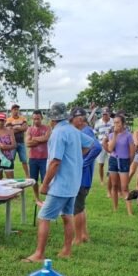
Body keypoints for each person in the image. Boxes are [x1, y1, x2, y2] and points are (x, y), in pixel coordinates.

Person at [23, 102, 82, 262]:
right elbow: (91, 145)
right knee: (67, 215)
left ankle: (39, 254)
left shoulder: (58, 133)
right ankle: (66, 250)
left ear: (51, 118)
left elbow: (55, 161)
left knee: (44, 217)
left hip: (61, 184)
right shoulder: (74, 131)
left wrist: (45, 184)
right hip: (73, 182)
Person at [71, 108, 102, 245]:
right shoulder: (83, 131)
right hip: (84, 178)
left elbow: (97, 147)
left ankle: (77, 238)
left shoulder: (86, 131)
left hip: (82, 177)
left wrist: (83, 163)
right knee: (81, 207)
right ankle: (84, 235)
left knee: (76, 208)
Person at [102, 114, 135, 214]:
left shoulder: (128, 135)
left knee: (124, 187)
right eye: (114, 122)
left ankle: (129, 212)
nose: (116, 124)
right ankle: (115, 208)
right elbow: (110, 149)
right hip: (113, 160)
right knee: (114, 185)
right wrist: (115, 135)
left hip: (124, 161)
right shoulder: (112, 135)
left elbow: (132, 152)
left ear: (123, 124)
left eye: (118, 122)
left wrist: (129, 162)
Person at [26, 110, 50, 206]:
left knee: (46, 179)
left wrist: (34, 138)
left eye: (38, 119)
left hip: (44, 158)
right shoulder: (29, 129)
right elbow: (27, 143)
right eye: (34, 119)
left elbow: (46, 138)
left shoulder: (47, 128)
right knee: (33, 180)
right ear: (32, 119)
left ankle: (48, 200)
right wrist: (41, 139)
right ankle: (37, 198)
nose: (36, 121)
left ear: (42, 118)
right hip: (33, 158)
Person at [5, 104, 30, 178]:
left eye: (17, 109)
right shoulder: (9, 120)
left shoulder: (23, 118)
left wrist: (15, 128)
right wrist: (20, 127)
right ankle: (10, 176)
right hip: (12, 143)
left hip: (21, 142)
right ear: (11, 110)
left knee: (24, 160)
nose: (16, 111)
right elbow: (10, 131)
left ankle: (27, 175)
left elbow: (25, 128)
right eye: (14, 109)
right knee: (11, 160)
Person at [94, 108, 114, 191]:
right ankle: (102, 180)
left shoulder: (113, 121)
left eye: (106, 114)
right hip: (101, 144)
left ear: (109, 114)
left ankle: (110, 180)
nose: (105, 115)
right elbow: (94, 132)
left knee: (111, 163)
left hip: (110, 145)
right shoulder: (98, 122)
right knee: (101, 164)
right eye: (103, 114)